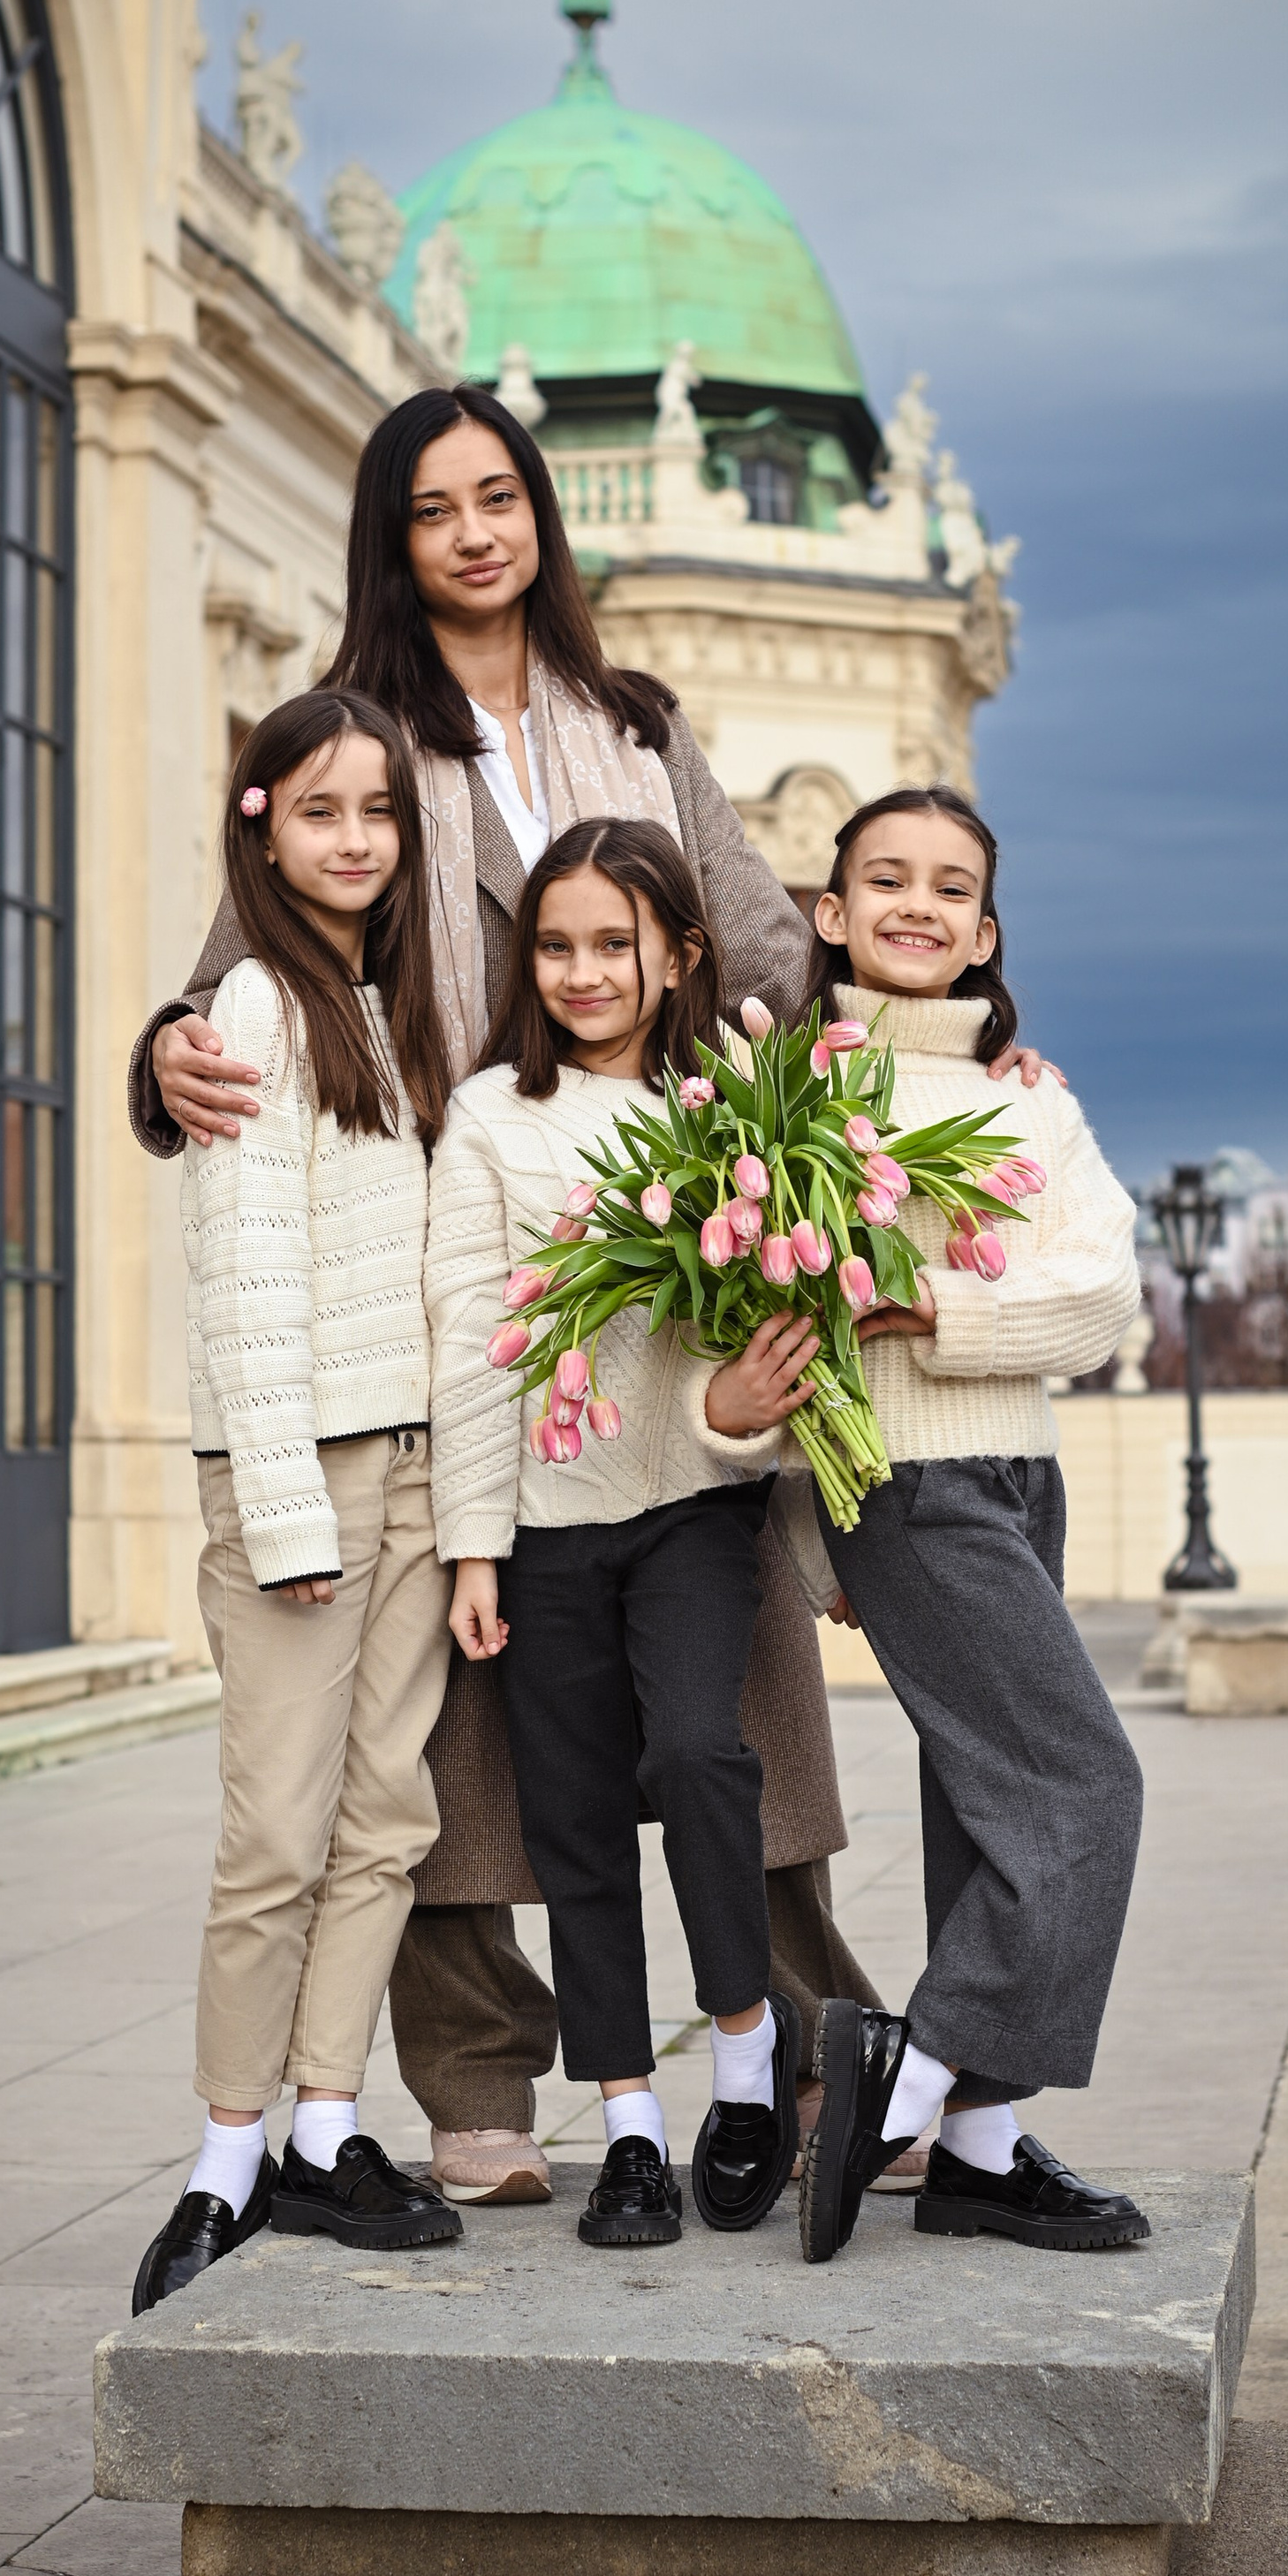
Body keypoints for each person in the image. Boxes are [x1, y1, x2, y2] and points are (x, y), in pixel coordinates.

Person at [127, 388, 979, 2201]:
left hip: (662, 1287)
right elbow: (238, 971)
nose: (472, 532)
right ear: (394, 536)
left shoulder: (635, 726)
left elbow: (764, 946)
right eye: (430, 507)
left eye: (496, 496)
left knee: (724, 1704)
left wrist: (938, 1056)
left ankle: (812, 2048)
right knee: (451, 1719)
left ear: (537, 517)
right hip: (464, 1266)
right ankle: (477, 2082)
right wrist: (161, 1053)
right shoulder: (364, 735)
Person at [784, 785, 1154, 2266]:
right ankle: (911, 2085)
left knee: (991, 1808)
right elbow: (760, 1324)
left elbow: (1105, 1295)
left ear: (987, 932)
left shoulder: (1030, 1100)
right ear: (831, 913)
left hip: (1020, 1477)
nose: (918, 907)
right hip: (904, 1480)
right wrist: (817, 1536)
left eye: (951, 888)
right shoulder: (791, 1100)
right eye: (886, 881)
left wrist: (936, 1305)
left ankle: (984, 2157)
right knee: (1086, 1789)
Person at [428, 818, 810, 2247]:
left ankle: (746, 2066)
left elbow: (777, 1342)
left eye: (613, 944)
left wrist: (728, 1413)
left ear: (679, 955)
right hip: (541, 1529)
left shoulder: (741, 1115)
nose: (582, 971)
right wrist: (474, 1546)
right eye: (556, 944)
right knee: (574, 1824)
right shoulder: (488, 1120)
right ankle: (630, 2131)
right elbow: (471, 1344)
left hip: (695, 1511)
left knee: (700, 1757)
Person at [132, 689, 464, 2315]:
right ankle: (224, 2154)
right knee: (275, 1830)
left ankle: (330, 2127)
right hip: (303, 1474)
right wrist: (287, 1513)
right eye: (323, 810)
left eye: (379, 814)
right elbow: (245, 1283)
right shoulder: (253, 1004)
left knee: (386, 1816)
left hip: (409, 1466)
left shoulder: (385, 1007)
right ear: (260, 817)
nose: (355, 839)